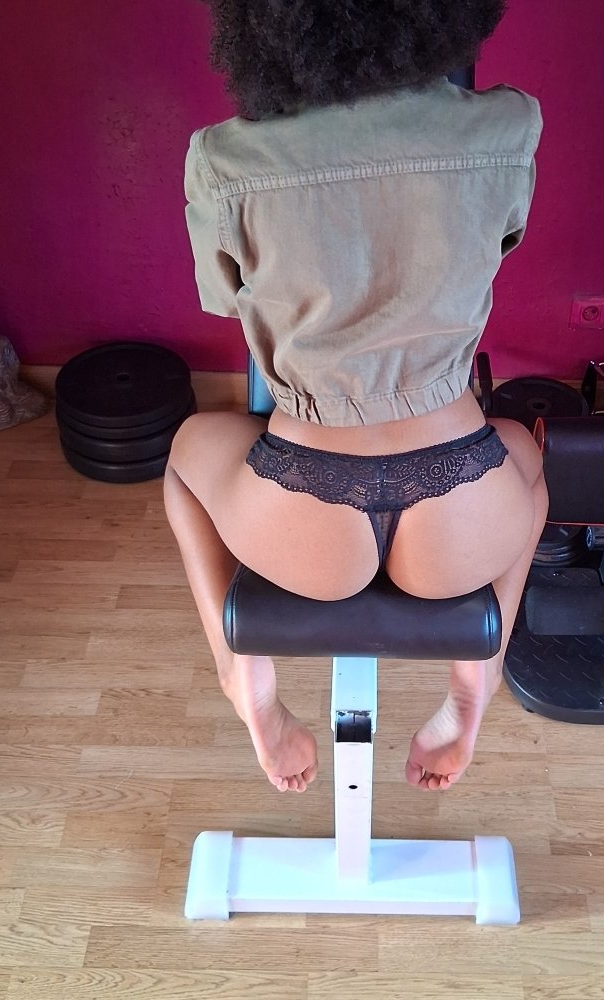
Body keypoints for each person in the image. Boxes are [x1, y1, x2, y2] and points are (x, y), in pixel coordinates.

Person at [166, 0, 548, 793]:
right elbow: (501, 242)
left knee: (183, 458)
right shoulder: (507, 127)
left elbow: (225, 301)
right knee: (528, 458)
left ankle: (240, 673)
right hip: (462, 512)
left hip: (305, 515)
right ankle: (475, 683)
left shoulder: (223, 160)